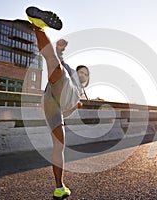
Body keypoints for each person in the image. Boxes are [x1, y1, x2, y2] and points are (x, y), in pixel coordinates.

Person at [26, 6, 90, 199]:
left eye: (86, 74)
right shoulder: (72, 77)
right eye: (82, 72)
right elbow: (60, 59)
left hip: (54, 106)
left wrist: (75, 105)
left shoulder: (79, 94)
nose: (84, 75)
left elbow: (70, 107)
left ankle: (59, 187)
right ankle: (39, 27)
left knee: (59, 146)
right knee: (53, 61)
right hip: (59, 88)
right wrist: (61, 49)